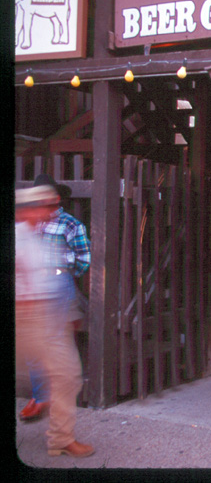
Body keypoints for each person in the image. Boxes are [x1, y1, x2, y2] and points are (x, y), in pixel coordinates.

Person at [15, 185, 95, 458]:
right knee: (63, 374)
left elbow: (71, 266)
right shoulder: (17, 236)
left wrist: (67, 313)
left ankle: (60, 438)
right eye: (43, 206)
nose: (48, 212)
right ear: (26, 209)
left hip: (47, 313)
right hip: (26, 317)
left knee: (68, 375)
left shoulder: (38, 233)